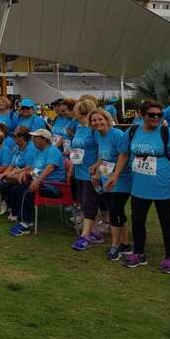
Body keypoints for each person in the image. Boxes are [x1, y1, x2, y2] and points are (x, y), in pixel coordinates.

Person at [108, 100, 170, 274]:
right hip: (139, 185)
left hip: (163, 184)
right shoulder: (133, 131)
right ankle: (139, 253)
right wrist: (115, 175)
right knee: (138, 220)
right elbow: (124, 154)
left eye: (159, 114)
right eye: (152, 114)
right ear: (142, 115)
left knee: (166, 221)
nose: (156, 118)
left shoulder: (168, 132)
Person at [89, 109, 131, 261]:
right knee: (117, 212)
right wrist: (96, 168)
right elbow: (103, 156)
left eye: (100, 119)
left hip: (122, 179)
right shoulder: (98, 135)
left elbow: (124, 156)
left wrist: (115, 174)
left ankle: (115, 246)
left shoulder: (118, 135)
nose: (97, 123)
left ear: (107, 120)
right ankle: (125, 244)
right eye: (94, 120)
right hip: (106, 178)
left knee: (115, 211)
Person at [8, 129, 66, 237]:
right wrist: (25, 173)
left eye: (36, 138)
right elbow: (34, 168)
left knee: (27, 192)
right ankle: (20, 216)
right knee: (16, 190)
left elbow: (50, 168)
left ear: (45, 139)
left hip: (53, 185)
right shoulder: (39, 152)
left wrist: (37, 180)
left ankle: (25, 224)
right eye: (33, 138)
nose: (33, 140)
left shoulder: (52, 151)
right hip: (41, 183)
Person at [69, 99, 102, 251]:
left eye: (75, 109)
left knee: (89, 203)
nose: (73, 112)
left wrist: (98, 169)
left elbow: (102, 149)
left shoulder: (93, 130)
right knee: (83, 202)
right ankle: (95, 231)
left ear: (81, 111)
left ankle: (85, 235)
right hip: (79, 170)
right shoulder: (78, 127)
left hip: (90, 172)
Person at [0, 127, 38, 218]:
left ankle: (14, 208)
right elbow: (12, 165)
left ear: (22, 137)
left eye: (15, 136)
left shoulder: (31, 149)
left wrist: (14, 173)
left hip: (26, 175)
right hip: (16, 174)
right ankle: (10, 205)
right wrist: (4, 173)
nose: (14, 138)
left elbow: (29, 167)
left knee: (7, 185)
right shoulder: (16, 148)